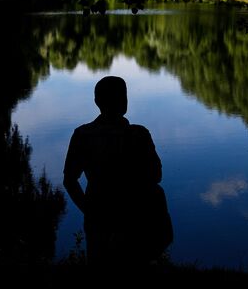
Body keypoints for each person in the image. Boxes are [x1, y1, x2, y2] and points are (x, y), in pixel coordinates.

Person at [63, 76, 172, 267]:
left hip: (97, 210)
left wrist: (89, 210)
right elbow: (157, 176)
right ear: (124, 102)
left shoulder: (82, 134)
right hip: (134, 213)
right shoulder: (139, 134)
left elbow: (69, 181)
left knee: (100, 265)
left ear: (97, 101)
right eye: (123, 95)